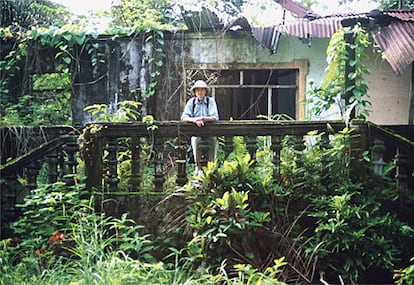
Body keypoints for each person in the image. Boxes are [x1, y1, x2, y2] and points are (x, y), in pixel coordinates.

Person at [181, 80, 219, 176]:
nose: (200, 92)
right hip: (196, 134)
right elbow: (184, 117)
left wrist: (202, 118)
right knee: (195, 145)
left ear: (205, 91)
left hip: (210, 133)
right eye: (198, 90)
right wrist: (194, 120)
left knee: (212, 155)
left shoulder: (210, 101)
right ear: (195, 92)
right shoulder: (192, 102)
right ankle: (198, 168)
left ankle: (212, 172)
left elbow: (214, 117)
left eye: (202, 90)